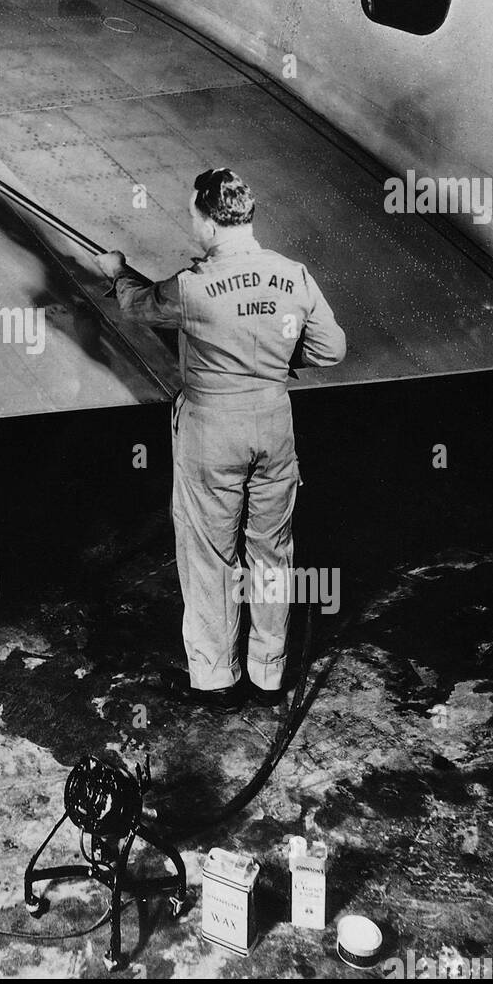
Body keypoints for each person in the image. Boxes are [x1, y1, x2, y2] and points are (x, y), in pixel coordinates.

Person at [94, 169, 346, 711]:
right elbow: (330, 350)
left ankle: (215, 680)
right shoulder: (292, 275)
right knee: (272, 553)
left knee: (209, 555)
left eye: (192, 215)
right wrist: (270, 359)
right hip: (274, 424)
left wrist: (116, 272)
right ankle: (268, 674)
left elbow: (139, 306)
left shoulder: (194, 285)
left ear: (209, 222)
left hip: (213, 429)